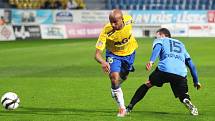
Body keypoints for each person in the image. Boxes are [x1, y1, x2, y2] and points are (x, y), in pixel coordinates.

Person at [126, 28, 201, 116]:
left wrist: (151, 61)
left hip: (165, 69)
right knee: (183, 94)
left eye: (156, 36)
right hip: (181, 73)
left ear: (162, 35)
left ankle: (129, 107)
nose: (155, 38)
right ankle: (186, 99)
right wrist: (196, 81)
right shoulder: (181, 44)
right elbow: (191, 64)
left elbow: (158, 48)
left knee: (148, 84)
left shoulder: (161, 40)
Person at [94, 9, 138, 117]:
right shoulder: (106, 31)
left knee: (123, 77)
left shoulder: (129, 19)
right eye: (110, 21)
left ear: (122, 20)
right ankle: (122, 108)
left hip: (130, 53)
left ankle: (115, 88)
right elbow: (97, 54)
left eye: (115, 22)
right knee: (114, 78)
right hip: (114, 55)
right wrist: (103, 62)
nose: (112, 24)